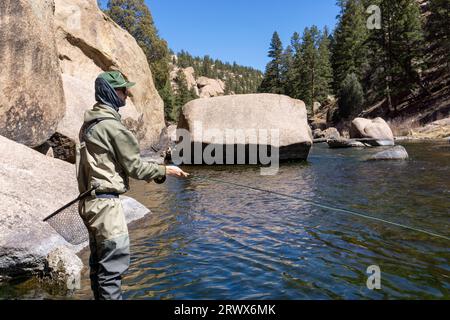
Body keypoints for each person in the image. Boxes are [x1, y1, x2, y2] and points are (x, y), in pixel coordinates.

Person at [76, 70, 189, 300]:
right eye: (122, 89)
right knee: (112, 273)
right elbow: (135, 168)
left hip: (89, 204)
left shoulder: (89, 124)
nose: (127, 94)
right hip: (106, 208)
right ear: (110, 92)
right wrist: (165, 170)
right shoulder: (112, 127)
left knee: (99, 270)